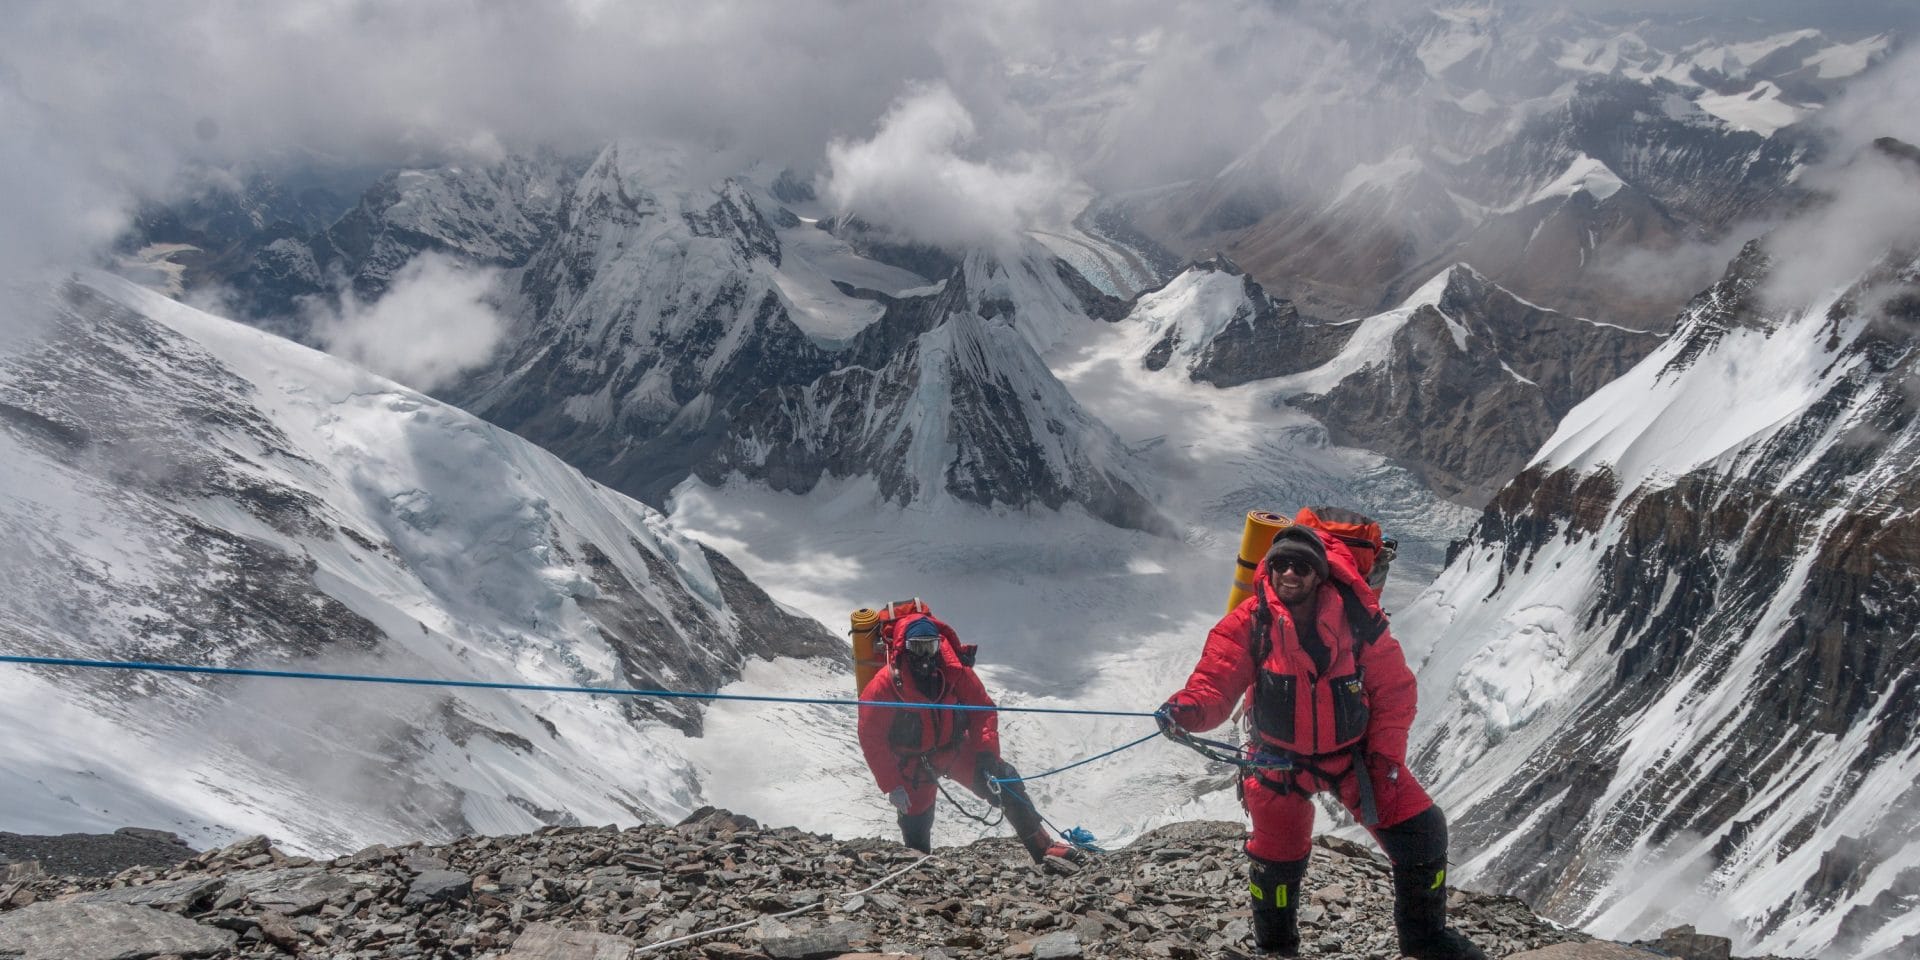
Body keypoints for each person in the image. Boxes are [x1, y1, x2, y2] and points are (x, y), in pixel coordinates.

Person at [1155, 525, 1485, 959]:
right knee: (1274, 860)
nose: (1289, 573)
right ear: (1268, 569)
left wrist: (1384, 758)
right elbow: (1215, 682)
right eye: (1280, 564)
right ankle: (1277, 949)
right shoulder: (1249, 622)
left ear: (1320, 575)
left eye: (1302, 566)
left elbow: (1393, 690)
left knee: (1423, 832)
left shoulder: (1357, 619)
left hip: (1353, 758)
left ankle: (1425, 943)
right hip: (1277, 762)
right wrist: (1186, 709)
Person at [857, 614, 1077, 863]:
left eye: (930, 646)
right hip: (914, 763)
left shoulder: (953, 672)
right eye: (917, 647)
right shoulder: (886, 684)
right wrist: (891, 784)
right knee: (916, 819)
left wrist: (986, 755)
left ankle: (1043, 847)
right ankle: (919, 867)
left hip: (953, 750)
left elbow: (982, 708)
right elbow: (870, 735)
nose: (925, 655)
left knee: (1005, 781)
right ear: (903, 649)